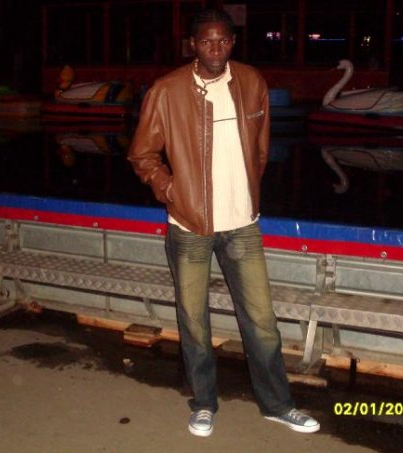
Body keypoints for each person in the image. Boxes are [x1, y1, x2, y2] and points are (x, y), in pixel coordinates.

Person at [128, 8, 320, 438]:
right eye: (206, 41)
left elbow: (261, 150)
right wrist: (170, 188)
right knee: (194, 322)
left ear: (233, 41)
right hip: (189, 226)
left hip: (242, 224)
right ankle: (203, 403)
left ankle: (278, 405)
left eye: (223, 40)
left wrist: (245, 194)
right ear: (193, 45)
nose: (215, 49)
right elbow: (142, 154)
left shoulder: (252, 83)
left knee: (262, 321)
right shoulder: (167, 90)